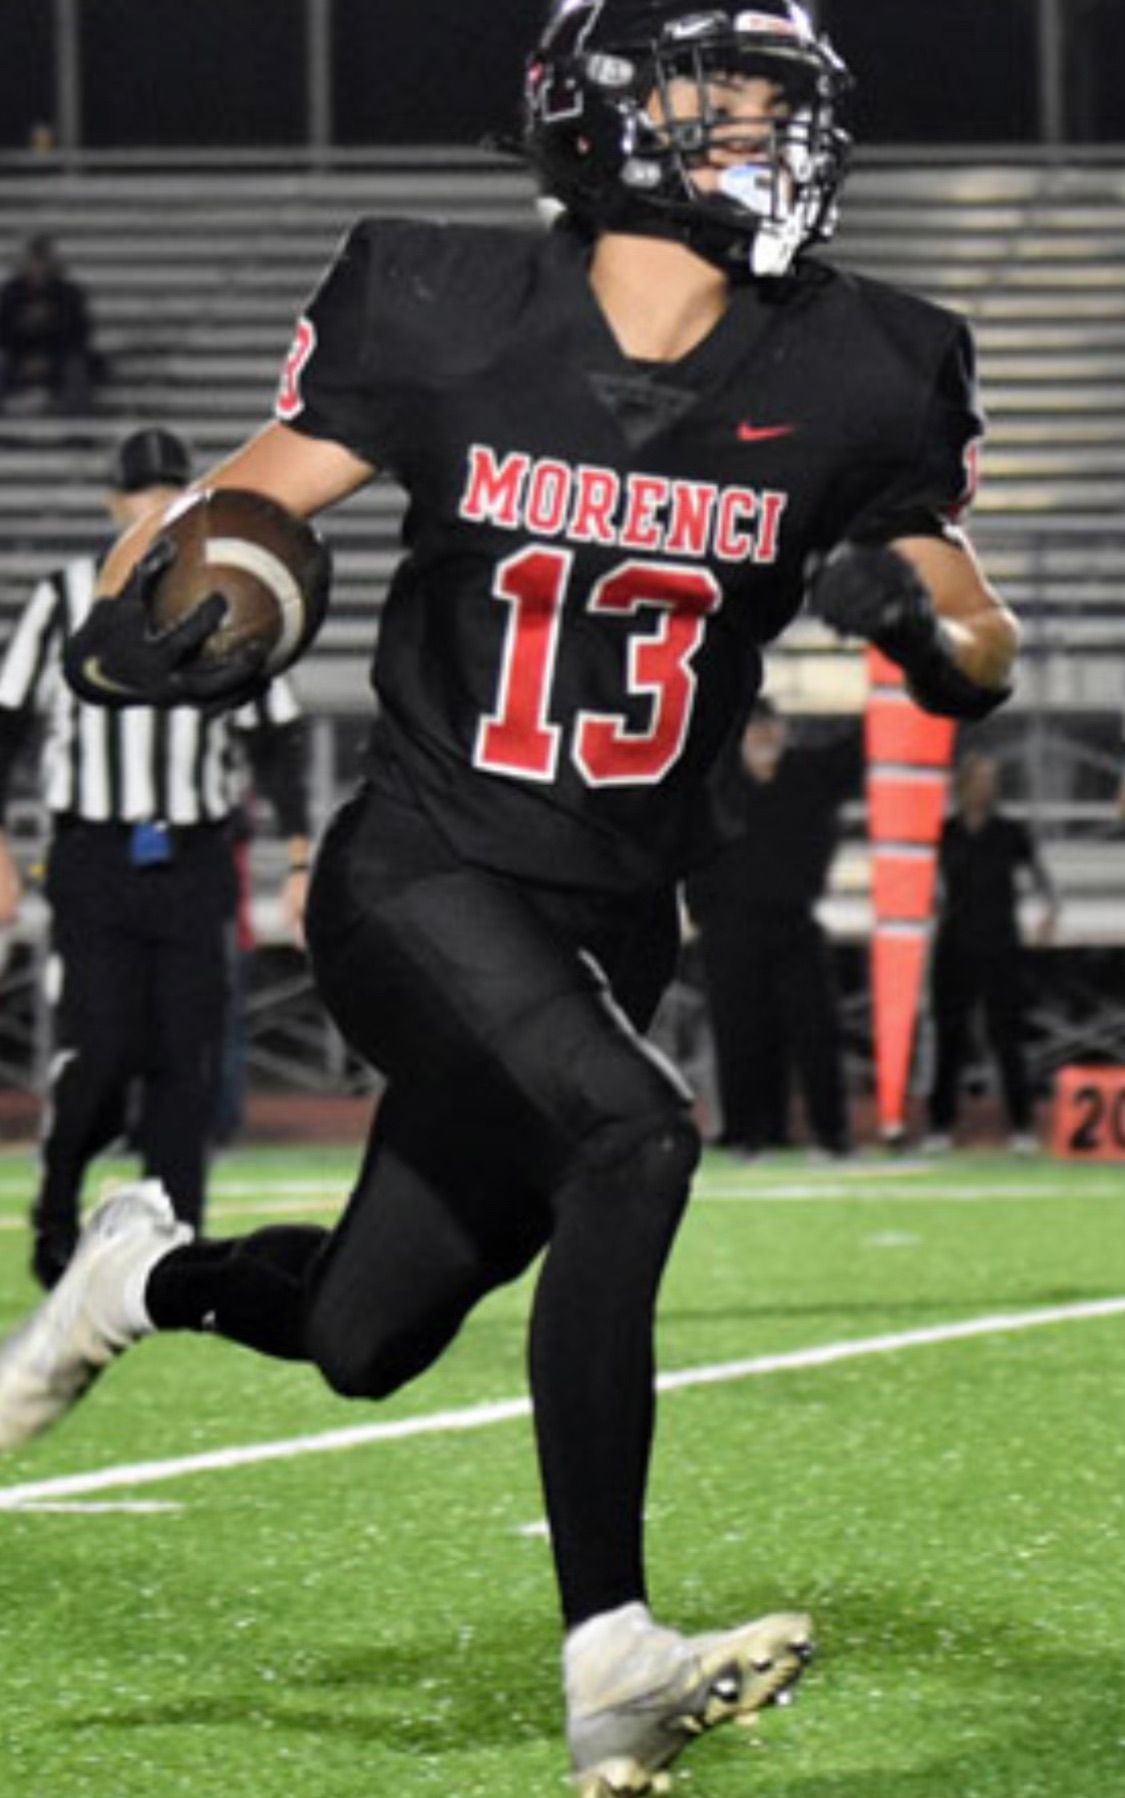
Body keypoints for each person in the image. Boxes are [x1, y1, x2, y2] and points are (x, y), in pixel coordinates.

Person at [0, 6, 1021, 1793]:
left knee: (365, 1333)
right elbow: (254, 491)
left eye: (789, 107)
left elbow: (971, 613)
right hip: (419, 868)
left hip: (613, 914)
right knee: (635, 1134)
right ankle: (613, 1651)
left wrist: (926, 622)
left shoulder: (867, 361)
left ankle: (131, 1283)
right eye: (732, 102)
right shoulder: (446, 301)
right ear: (605, 113)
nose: (774, 138)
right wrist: (210, 574)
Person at [0, 427, 311, 1289]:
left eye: (169, 491)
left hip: (194, 853)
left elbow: (275, 734)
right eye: (141, 493)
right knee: (100, 1048)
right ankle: (57, 1205)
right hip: (92, 853)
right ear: (113, 505)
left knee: (188, 1053)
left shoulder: (225, 589)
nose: (152, 506)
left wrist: (297, 854)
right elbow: (8, 722)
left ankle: (177, 1233)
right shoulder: (66, 595)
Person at [686, 697, 859, 1157]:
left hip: (794, 920)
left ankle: (832, 1133)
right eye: (754, 729)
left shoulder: (809, 774)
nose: (763, 737)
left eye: (770, 727)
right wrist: (701, 910)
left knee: (816, 1029)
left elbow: (862, 747)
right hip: (729, 924)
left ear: (784, 731)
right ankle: (748, 1133)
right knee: (739, 1033)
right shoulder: (716, 784)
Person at [924, 752, 1057, 1151]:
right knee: (950, 1038)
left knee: (1008, 1037)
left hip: (1001, 942)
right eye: (980, 778)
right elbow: (924, 882)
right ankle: (939, 1125)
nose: (986, 786)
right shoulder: (944, 832)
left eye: (992, 779)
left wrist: (1048, 911)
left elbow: (1040, 877)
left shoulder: (1009, 832)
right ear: (963, 784)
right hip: (955, 942)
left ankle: (1021, 1125)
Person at [0, 234, 100, 415]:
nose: (38, 268)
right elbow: (3, 331)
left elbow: (78, 333)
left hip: (59, 358)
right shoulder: (11, 293)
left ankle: (75, 429)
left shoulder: (69, 294)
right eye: (33, 262)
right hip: (18, 358)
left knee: (76, 367)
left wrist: (50, 359)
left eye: (42, 262)